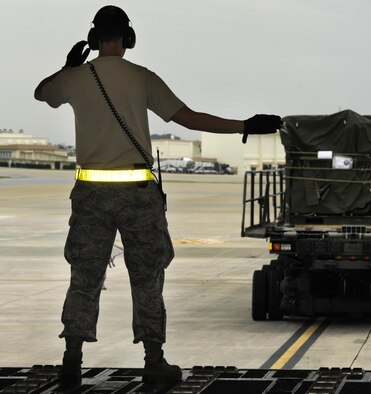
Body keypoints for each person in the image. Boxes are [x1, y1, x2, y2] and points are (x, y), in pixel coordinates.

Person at [34, 5, 280, 385]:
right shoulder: (142, 78)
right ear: (128, 39)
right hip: (137, 193)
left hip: (90, 194)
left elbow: (41, 93)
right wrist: (246, 125)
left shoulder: (75, 78)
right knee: (147, 277)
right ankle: (154, 360)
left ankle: (71, 360)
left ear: (94, 38)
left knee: (84, 275)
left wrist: (68, 66)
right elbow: (190, 118)